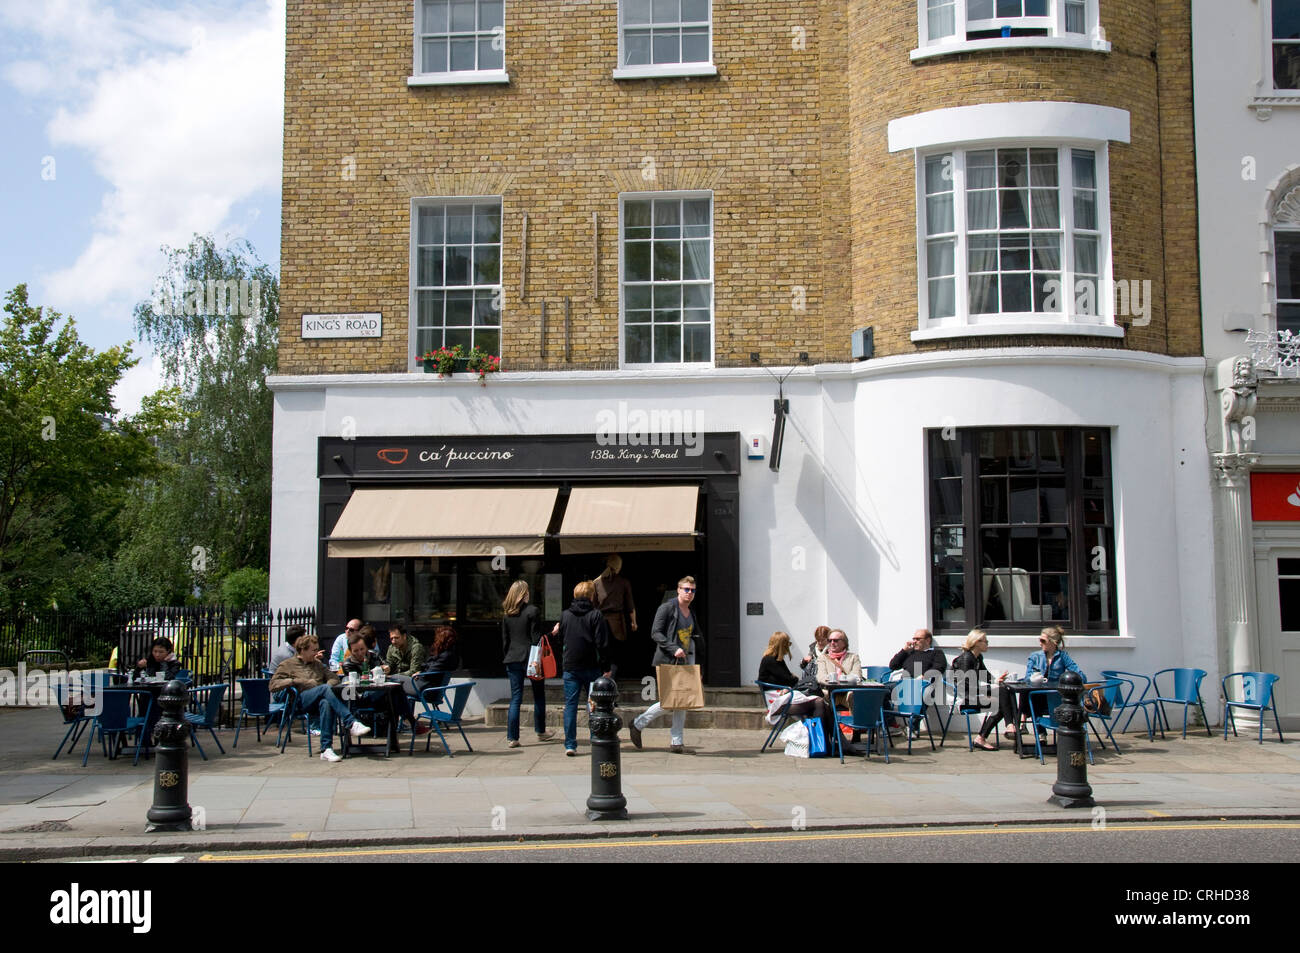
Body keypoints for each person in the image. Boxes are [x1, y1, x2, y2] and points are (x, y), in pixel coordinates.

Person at [629, 576, 703, 754]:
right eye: (686, 589)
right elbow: (656, 633)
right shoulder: (667, 608)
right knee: (669, 702)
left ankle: (676, 741)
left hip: (686, 661)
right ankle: (638, 723)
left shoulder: (691, 612)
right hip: (668, 660)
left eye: (692, 590)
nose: (689, 593)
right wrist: (673, 648)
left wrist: (698, 666)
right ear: (678, 590)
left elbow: (696, 638)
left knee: (683, 701)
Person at [270, 633, 370, 763]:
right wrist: (297, 681)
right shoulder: (288, 664)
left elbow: (333, 678)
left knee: (326, 702)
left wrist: (328, 687)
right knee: (324, 689)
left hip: (317, 700)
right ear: (303, 650)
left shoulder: (317, 664)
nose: (316, 653)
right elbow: (273, 685)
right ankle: (350, 722)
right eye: (314, 650)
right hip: (299, 700)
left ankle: (326, 749)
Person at [553, 580, 611, 756]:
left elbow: (560, 640)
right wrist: (606, 667)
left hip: (570, 665)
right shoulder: (596, 615)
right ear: (591, 595)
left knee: (570, 704)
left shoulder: (565, 615)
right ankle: (595, 738)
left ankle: (570, 744)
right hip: (591, 665)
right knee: (593, 704)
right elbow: (602, 643)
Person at [501, 580, 552, 747]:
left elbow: (505, 641)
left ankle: (512, 737)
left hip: (512, 658)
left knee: (516, 697)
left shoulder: (507, 615)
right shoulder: (532, 611)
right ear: (524, 594)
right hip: (531, 659)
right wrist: (552, 634)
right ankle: (540, 731)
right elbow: (536, 638)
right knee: (538, 695)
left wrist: (508, 655)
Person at [758, 631, 829, 731]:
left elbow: (789, 679)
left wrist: (792, 679)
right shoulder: (771, 660)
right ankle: (820, 738)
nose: (789, 646)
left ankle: (823, 738)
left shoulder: (773, 659)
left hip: (784, 697)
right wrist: (792, 678)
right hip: (778, 702)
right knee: (819, 702)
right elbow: (790, 680)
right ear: (782, 645)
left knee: (822, 705)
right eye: (788, 644)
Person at [952, 629, 999, 750]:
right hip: (965, 699)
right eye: (985, 641)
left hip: (973, 695)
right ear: (977, 642)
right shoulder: (966, 659)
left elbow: (986, 675)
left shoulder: (978, 658)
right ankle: (981, 738)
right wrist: (989, 690)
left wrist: (997, 681)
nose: (987, 643)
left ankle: (1011, 727)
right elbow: (966, 686)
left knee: (1004, 695)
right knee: (1000, 704)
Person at [594, 553, 637, 677]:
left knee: (602, 650)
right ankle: (611, 679)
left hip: (600, 621)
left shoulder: (597, 582)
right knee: (615, 653)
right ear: (619, 566)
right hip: (617, 622)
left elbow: (593, 605)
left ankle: (601, 678)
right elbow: (630, 605)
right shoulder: (624, 582)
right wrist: (634, 622)